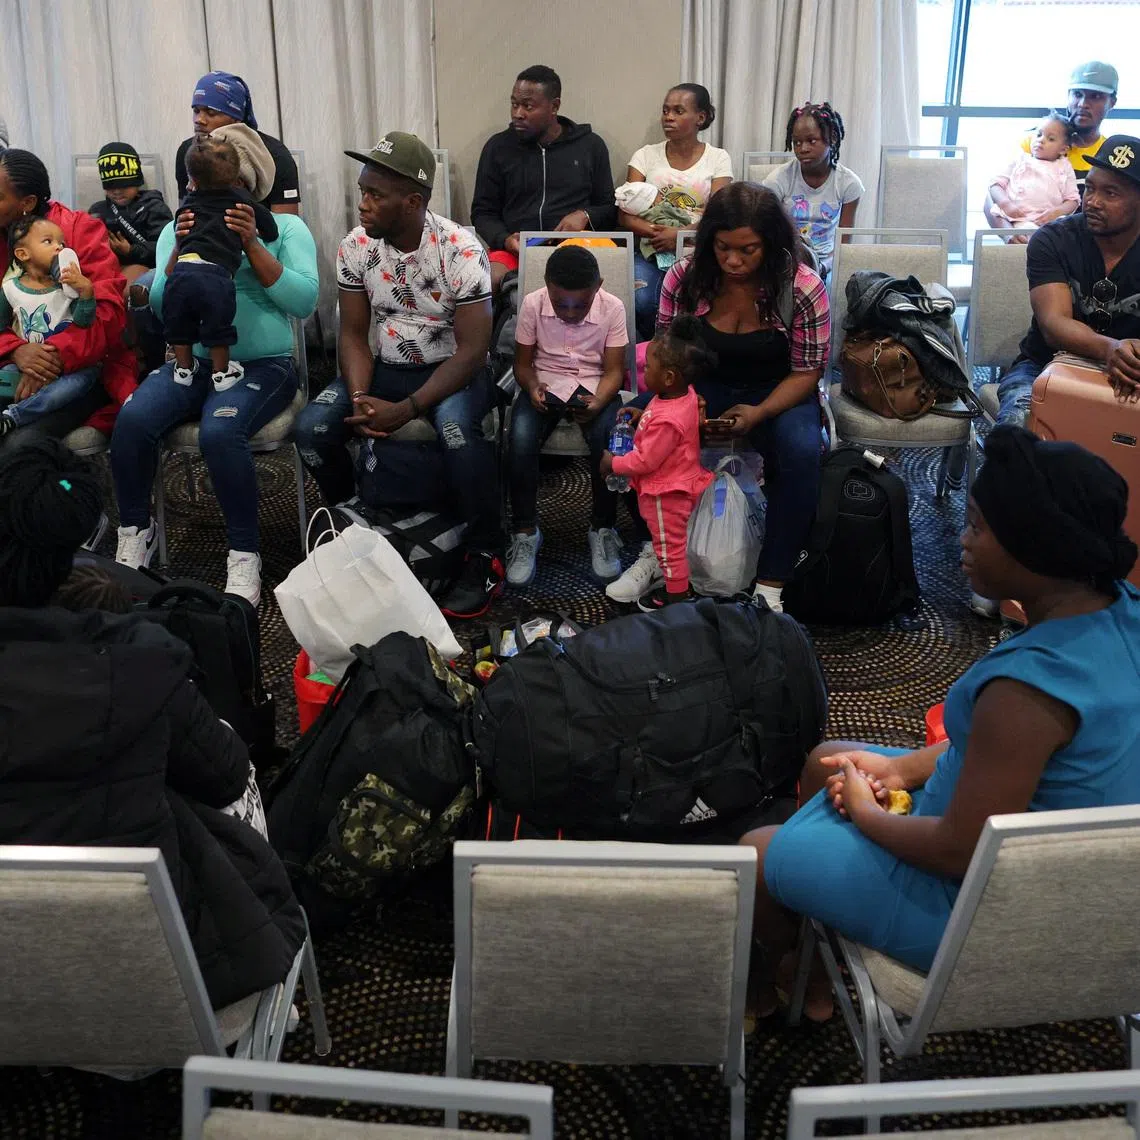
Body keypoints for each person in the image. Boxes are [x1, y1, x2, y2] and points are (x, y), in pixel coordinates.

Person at [740, 424, 1140, 1021]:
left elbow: (956, 851)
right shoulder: (1120, 612)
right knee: (826, 760)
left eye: (977, 525)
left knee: (755, 854)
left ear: (1035, 545)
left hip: (990, 911)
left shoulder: (1024, 691)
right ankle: (816, 956)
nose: (962, 538)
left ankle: (795, 962)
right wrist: (900, 769)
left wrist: (868, 812)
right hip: (1092, 883)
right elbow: (1005, 756)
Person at [0, 438, 306, 1011]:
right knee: (223, 773)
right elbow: (226, 775)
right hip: (153, 981)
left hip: (15, 991)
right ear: (77, 552)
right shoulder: (141, 663)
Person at [294, 132, 503, 620]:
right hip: (386, 365)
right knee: (312, 429)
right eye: (362, 191)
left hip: (452, 369)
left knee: (456, 429)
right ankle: (354, 520)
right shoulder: (355, 246)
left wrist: (407, 410)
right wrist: (360, 398)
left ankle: (484, 552)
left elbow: (473, 351)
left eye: (375, 195)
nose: (362, 204)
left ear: (412, 202)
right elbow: (352, 335)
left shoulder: (460, 249)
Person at [607, 182, 829, 614]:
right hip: (698, 384)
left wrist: (760, 412)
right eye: (723, 248)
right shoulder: (686, 278)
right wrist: (685, 404)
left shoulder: (801, 286)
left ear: (772, 244)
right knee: (630, 428)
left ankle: (771, 581)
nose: (733, 261)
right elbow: (667, 358)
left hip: (777, 390)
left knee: (801, 452)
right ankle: (657, 550)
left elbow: (807, 371)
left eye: (748, 250)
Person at [110, 161, 318, 606]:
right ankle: (136, 531)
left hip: (265, 364)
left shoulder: (285, 228)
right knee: (132, 419)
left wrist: (252, 243)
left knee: (220, 430)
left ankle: (244, 553)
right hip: (196, 364)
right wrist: (177, 249)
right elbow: (163, 308)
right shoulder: (181, 224)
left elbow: (303, 302)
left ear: (246, 185)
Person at [506, 244, 631, 587]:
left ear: (598, 287)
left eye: (581, 304)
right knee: (520, 438)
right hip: (545, 382)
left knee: (609, 440)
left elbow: (614, 371)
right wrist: (532, 386)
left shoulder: (613, 307)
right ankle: (525, 531)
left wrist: (598, 402)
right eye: (561, 304)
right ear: (547, 286)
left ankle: (602, 527)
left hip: (594, 384)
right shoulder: (533, 303)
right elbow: (522, 365)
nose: (571, 313)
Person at [995, 134, 1140, 428]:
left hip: (1130, 373)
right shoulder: (1053, 240)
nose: (1093, 202)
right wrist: (1110, 349)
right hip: (1044, 365)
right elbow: (1054, 325)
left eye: (1111, 194)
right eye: (1090, 188)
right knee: (1018, 430)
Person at [0, 148, 135, 449]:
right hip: (14, 368)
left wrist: (48, 359)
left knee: (19, 446)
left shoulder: (80, 231)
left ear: (27, 204)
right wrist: (16, 350)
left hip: (84, 370)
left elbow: (108, 314)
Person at [471, 65, 617, 294]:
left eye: (528, 106)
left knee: (583, 281)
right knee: (485, 284)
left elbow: (609, 207)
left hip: (575, 246)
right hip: (515, 249)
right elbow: (482, 212)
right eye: (514, 104)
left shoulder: (590, 146)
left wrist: (584, 215)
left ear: (554, 106)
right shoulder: (498, 147)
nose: (518, 113)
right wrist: (505, 239)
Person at [601, 316, 713, 609]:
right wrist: (643, 417)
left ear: (669, 377)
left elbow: (645, 461)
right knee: (672, 543)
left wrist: (613, 463)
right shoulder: (680, 395)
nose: (643, 371)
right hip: (677, 481)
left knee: (668, 548)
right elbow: (662, 420)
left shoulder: (667, 419)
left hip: (666, 493)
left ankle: (676, 599)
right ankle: (677, 586)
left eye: (648, 368)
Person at [164, 133, 279, 390]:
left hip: (182, 271)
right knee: (217, 328)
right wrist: (261, 233)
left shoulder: (188, 204)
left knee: (179, 324)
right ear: (236, 177)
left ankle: (183, 369)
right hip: (215, 276)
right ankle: (222, 373)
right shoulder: (242, 202)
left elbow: (180, 228)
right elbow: (271, 230)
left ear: (192, 180)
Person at [618, 83, 733, 337]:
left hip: (699, 251)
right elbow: (626, 214)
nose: (668, 117)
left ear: (700, 117)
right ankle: (652, 353)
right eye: (665, 110)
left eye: (678, 111)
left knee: (701, 304)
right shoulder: (645, 156)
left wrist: (680, 235)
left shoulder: (718, 158)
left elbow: (719, 213)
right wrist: (661, 234)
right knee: (641, 301)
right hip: (649, 249)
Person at [0, 216, 99, 436]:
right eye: (48, 241)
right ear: (23, 254)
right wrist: (17, 352)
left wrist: (86, 293)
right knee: (5, 374)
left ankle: (12, 417)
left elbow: (84, 322)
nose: (59, 247)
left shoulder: (68, 287)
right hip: (28, 366)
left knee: (75, 385)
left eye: (62, 243)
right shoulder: (9, 289)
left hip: (69, 369)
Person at [174, 71, 301, 215]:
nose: (199, 120)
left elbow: (287, 223)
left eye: (211, 113)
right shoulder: (188, 152)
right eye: (196, 111)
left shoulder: (276, 155)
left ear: (236, 118)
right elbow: (184, 213)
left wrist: (252, 229)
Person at [763, 102, 862, 280]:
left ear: (832, 138)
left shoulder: (848, 183)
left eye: (811, 141)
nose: (803, 149)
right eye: (797, 142)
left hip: (827, 264)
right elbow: (769, 232)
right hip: (787, 259)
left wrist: (823, 267)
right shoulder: (777, 180)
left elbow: (844, 244)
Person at [1020, 61, 1119, 195]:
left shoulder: (1112, 158)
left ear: (1112, 102)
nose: (1083, 104)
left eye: (1095, 96)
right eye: (1077, 94)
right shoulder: (1035, 143)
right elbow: (999, 193)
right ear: (1068, 96)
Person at [87, 141, 173, 286]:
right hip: (105, 267)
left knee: (126, 286)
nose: (117, 191)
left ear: (137, 183)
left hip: (145, 266)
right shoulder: (98, 210)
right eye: (110, 187)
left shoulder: (154, 207)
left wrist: (131, 251)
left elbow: (167, 248)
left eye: (124, 186)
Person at [986, 111, 1080, 235]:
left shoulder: (1064, 166)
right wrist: (1006, 204)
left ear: (1063, 149)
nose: (1041, 140)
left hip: (1050, 221)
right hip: (1018, 218)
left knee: (1065, 230)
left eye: (1051, 139)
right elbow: (995, 185)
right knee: (1028, 234)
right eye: (1039, 134)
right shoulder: (1020, 159)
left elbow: (1073, 200)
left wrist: (1057, 212)